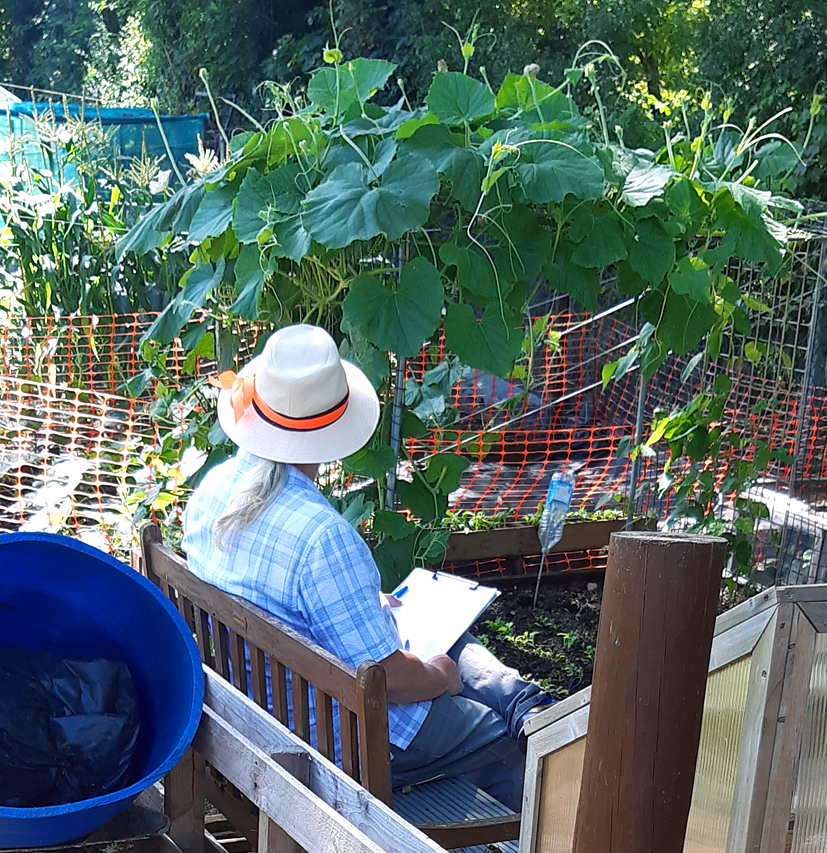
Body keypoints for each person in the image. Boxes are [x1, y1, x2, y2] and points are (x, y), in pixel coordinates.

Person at [182, 324, 551, 810]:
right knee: (495, 734)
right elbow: (391, 679)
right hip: (342, 738)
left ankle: (529, 705)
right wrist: (440, 677)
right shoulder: (323, 536)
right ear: (330, 433)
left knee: (449, 638)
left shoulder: (212, 490)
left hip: (260, 711)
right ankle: (550, 847)